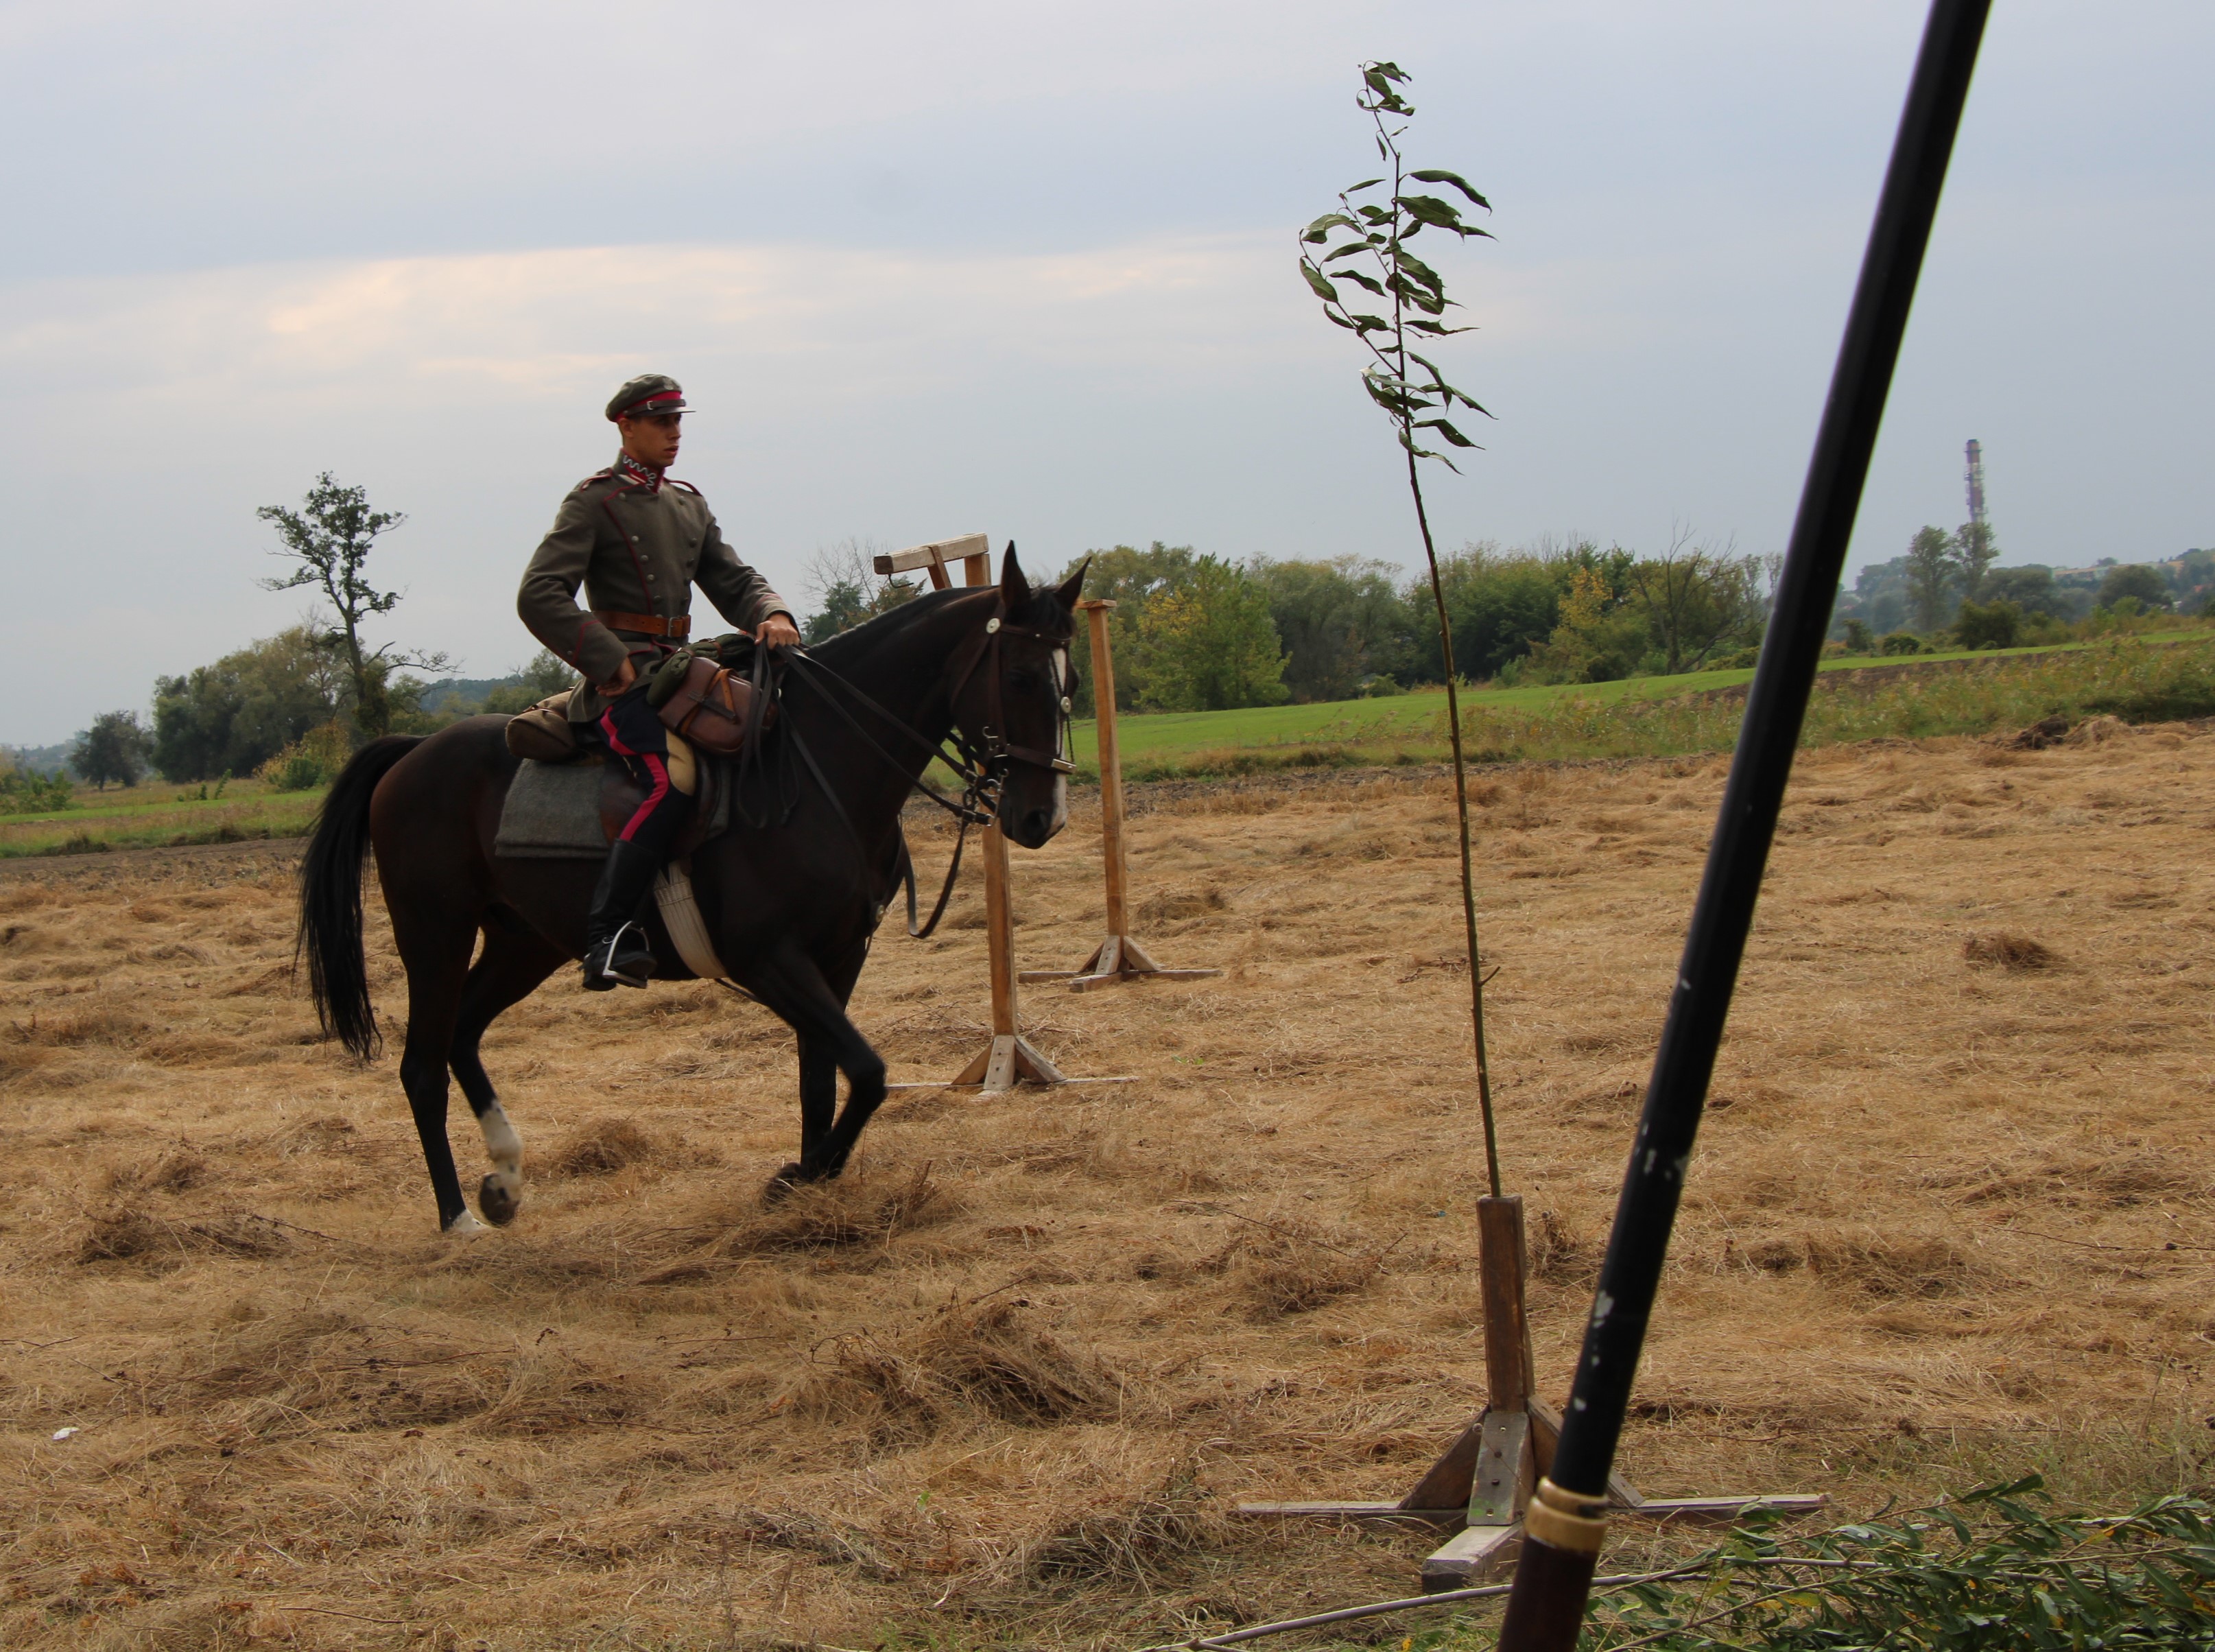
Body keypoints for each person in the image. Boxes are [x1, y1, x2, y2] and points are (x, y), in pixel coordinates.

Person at [518, 374, 802, 990]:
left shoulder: (688, 503)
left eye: (679, 422)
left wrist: (771, 612)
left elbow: (732, 579)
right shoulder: (594, 501)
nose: (675, 434)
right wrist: (603, 657)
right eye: (661, 422)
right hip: (628, 682)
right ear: (625, 426)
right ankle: (608, 933)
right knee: (670, 783)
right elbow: (539, 592)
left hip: (686, 667)